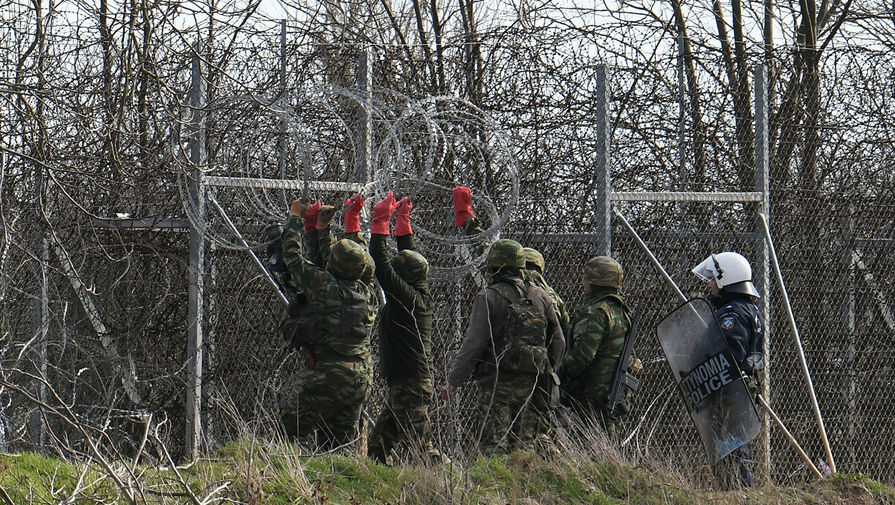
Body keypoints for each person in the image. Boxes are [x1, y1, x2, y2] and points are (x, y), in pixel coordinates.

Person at [441, 238, 565, 455]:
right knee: (525, 449)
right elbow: (558, 341)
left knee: (494, 450)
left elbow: (474, 343)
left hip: (496, 386)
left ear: (493, 266)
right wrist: (546, 367)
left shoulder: (489, 296)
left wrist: (454, 381)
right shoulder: (541, 296)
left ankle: (495, 488)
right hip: (532, 385)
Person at [278, 198, 379, 450]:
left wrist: (295, 217)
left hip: (328, 375)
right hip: (360, 378)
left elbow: (292, 258)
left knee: (291, 425)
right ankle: (339, 483)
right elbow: (345, 264)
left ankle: (292, 475)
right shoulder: (367, 293)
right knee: (339, 443)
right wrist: (322, 229)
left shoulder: (324, 286)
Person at [364, 192, 436, 464]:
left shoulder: (407, 299)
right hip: (409, 382)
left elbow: (381, 266)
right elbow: (411, 258)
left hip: (410, 383)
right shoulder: (419, 291)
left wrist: (381, 221)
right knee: (379, 445)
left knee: (420, 446)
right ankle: (377, 481)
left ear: (402, 277)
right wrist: (403, 222)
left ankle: (442, 483)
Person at [691, 251, 765, 489]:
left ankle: (737, 493)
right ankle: (736, 491)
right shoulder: (749, 310)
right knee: (737, 447)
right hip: (743, 391)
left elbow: (729, 355)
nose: (709, 284)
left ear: (727, 278)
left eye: (713, 278)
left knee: (731, 449)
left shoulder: (731, 313)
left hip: (730, 392)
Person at [557, 256, 634, 434]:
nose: (583, 283)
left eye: (586, 279)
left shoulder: (595, 313)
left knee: (587, 446)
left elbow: (581, 357)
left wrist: (557, 377)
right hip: (610, 392)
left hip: (592, 395)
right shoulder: (620, 311)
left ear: (595, 282)